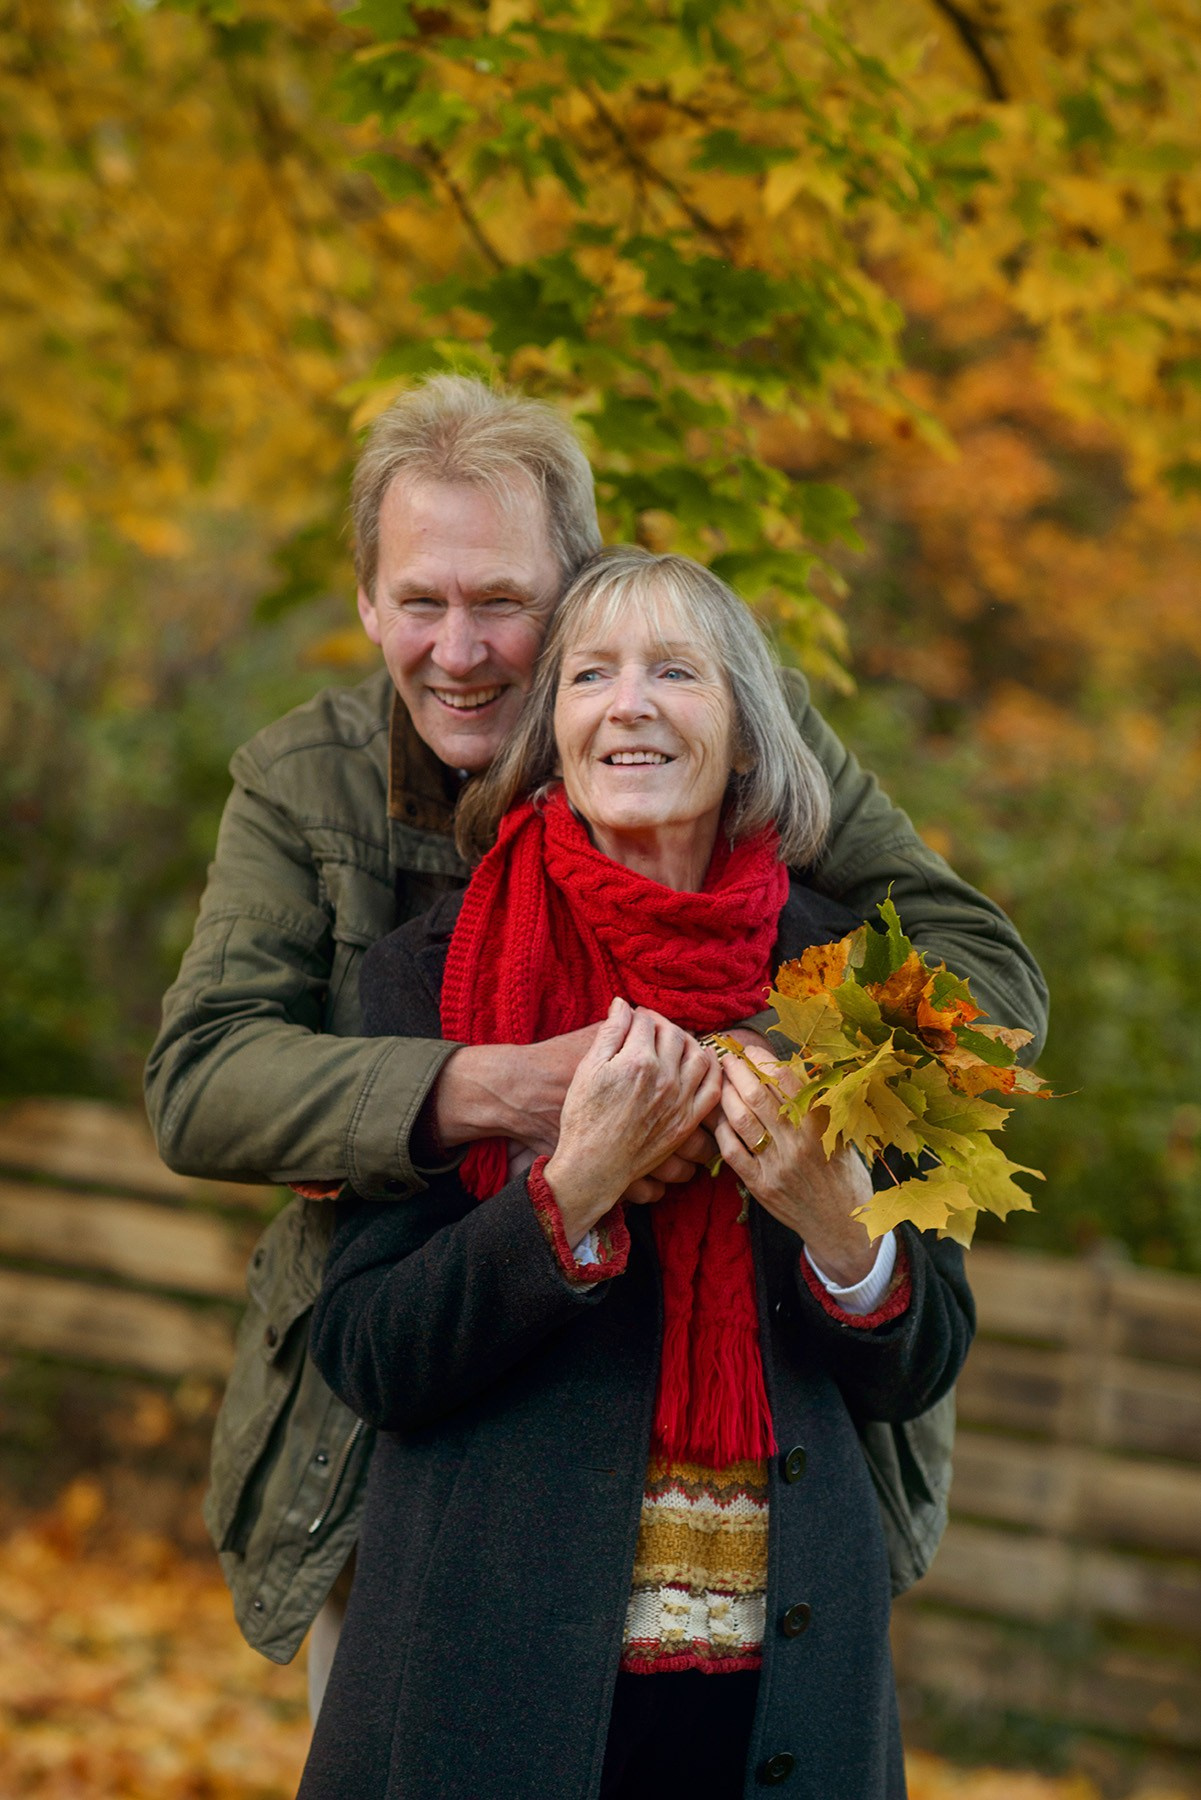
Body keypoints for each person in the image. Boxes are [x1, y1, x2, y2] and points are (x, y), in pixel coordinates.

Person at [142, 377, 1045, 1698]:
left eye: (502, 604)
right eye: (420, 603)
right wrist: (510, 1089)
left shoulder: (732, 728)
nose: (458, 650)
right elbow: (202, 1081)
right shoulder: (308, 783)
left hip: (740, 1470)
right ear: (369, 608)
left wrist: (744, 1081)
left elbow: (990, 987)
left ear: (573, 590)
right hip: (428, 1420)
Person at [297, 548, 974, 1800]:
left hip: (784, 1701)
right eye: (592, 674)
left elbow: (921, 1360)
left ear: (749, 733)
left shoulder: (858, 985)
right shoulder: (426, 975)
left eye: (677, 671)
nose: (631, 704)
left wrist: (837, 1228)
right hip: (485, 1677)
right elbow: (368, 1354)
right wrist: (568, 1195)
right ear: (552, 731)